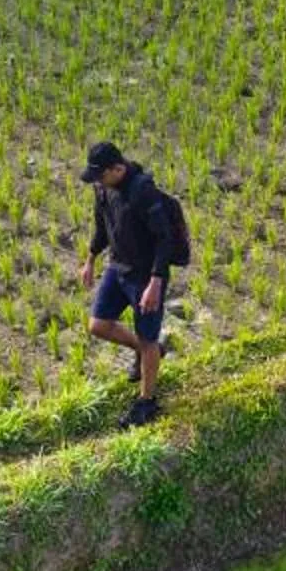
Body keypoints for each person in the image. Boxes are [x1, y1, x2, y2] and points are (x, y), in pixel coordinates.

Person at [79, 141, 175, 426]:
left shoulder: (143, 192)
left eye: (100, 175)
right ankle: (151, 352)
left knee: (147, 336)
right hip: (118, 267)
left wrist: (156, 282)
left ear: (118, 169)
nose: (97, 182)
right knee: (98, 325)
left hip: (145, 275)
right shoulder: (103, 188)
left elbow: (164, 240)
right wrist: (90, 259)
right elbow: (102, 227)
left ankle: (147, 402)